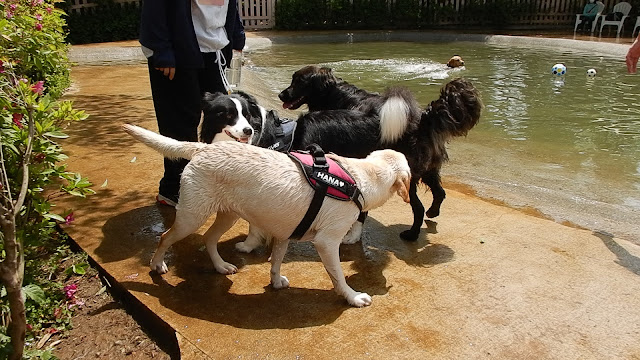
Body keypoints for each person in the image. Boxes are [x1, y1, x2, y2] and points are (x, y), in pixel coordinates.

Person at [139, 0, 246, 207]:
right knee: (180, 123)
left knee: (222, 121)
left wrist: (237, 37)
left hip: (215, 51)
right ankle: (174, 189)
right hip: (177, 54)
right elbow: (155, 8)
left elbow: (231, 6)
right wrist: (162, 51)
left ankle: (213, 181)